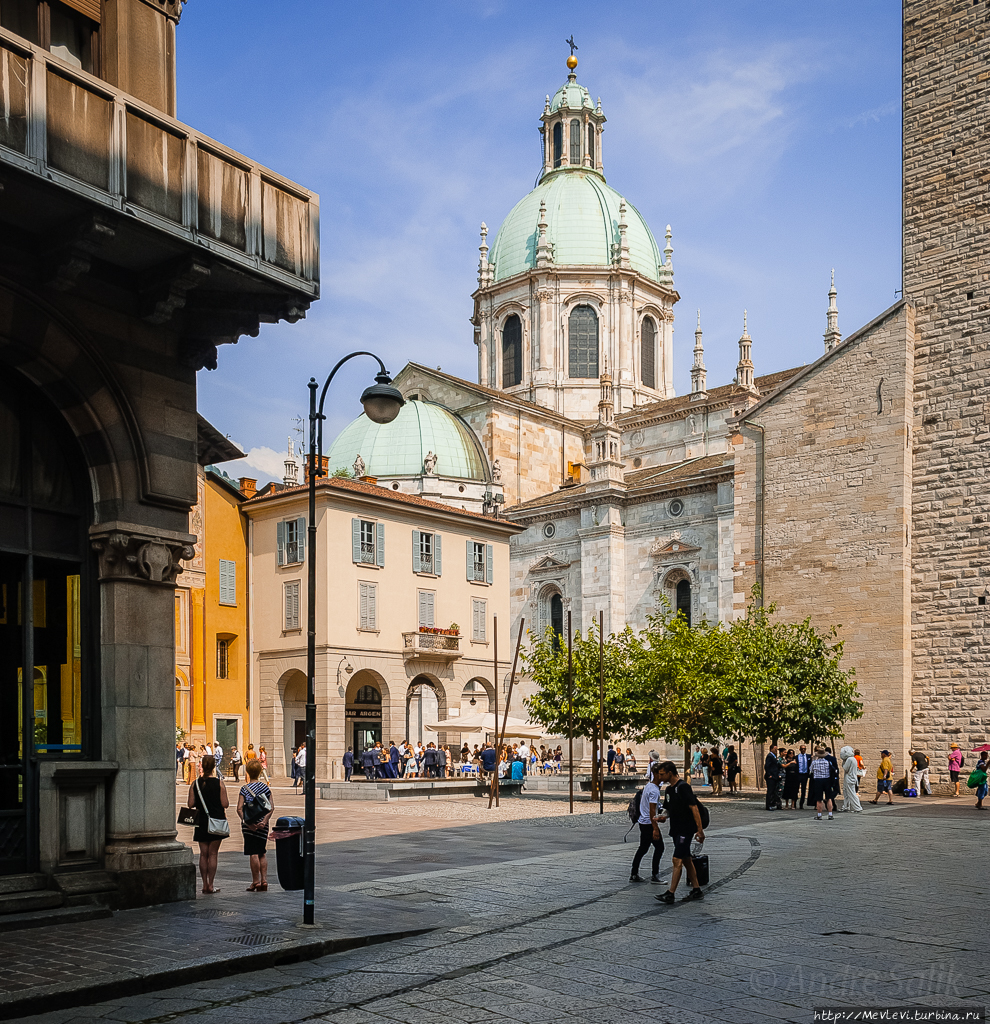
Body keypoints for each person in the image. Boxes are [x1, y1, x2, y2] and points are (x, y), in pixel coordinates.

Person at [653, 761, 705, 904]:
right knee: (686, 859)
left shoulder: (683, 787)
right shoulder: (669, 790)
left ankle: (670, 893)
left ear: (670, 773)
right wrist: (663, 817)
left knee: (677, 859)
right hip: (676, 829)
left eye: (662, 774)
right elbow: (668, 809)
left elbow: (694, 808)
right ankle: (696, 889)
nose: (660, 776)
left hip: (685, 830)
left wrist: (699, 830)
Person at [186, 753, 228, 894]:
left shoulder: (195, 783)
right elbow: (225, 804)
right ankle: (211, 884)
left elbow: (190, 804)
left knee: (203, 854)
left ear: (202, 766)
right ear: (214, 766)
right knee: (213, 854)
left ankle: (204, 884)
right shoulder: (219, 783)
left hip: (201, 821)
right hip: (216, 820)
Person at [237, 758, 273, 891]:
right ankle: (264, 880)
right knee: (262, 852)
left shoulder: (244, 789)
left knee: (253, 853)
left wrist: (247, 823)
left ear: (247, 772)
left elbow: (239, 808)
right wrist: (264, 821)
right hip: (263, 824)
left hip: (249, 825)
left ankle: (255, 881)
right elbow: (271, 807)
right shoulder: (265, 787)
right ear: (259, 772)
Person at [630, 762, 665, 884]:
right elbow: (652, 811)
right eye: (661, 774)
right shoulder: (654, 790)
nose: (663, 776)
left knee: (643, 848)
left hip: (643, 821)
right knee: (659, 848)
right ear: (655, 774)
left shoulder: (648, 786)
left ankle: (634, 873)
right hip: (649, 823)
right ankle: (655, 875)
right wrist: (655, 828)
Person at [809, 747, 834, 820]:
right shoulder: (828, 762)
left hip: (818, 780)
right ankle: (830, 814)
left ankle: (819, 815)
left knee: (819, 799)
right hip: (827, 780)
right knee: (829, 798)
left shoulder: (814, 762)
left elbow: (810, 771)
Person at [839, 745, 862, 812]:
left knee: (851, 793)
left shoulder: (849, 759)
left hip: (849, 778)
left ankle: (857, 807)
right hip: (850, 778)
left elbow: (845, 768)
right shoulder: (853, 759)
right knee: (846, 793)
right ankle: (846, 806)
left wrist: (843, 762)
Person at [764, 744, 782, 811]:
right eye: (775, 749)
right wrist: (769, 775)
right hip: (771, 777)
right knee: (770, 791)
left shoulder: (773, 756)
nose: (776, 751)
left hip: (774, 776)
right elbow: (767, 766)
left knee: (773, 791)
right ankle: (768, 805)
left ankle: (772, 803)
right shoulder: (770, 756)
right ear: (771, 749)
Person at [795, 745, 811, 809]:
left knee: (803, 789)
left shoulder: (808, 757)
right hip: (798, 774)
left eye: (804, 749)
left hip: (805, 775)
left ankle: (801, 803)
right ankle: (795, 803)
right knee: (796, 789)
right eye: (802, 749)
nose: (803, 750)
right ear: (800, 749)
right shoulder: (797, 757)